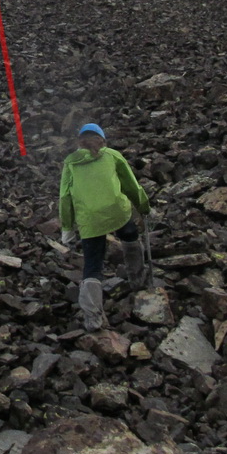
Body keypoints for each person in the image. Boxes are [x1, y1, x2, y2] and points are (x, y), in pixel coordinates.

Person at [59, 123, 151, 331]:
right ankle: (138, 278)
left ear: (79, 142)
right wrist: (143, 206)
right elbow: (131, 184)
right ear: (102, 139)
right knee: (129, 234)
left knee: (93, 264)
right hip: (117, 211)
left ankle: (93, 317)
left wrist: (67, 227)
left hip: (89, 219)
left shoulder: (71, 163)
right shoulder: (112, 155)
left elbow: (65, 197)